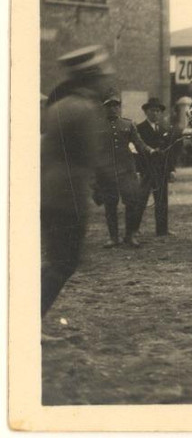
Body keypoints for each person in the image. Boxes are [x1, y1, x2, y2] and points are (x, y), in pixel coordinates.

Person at [40, 46, 114, 315]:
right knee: (62, 264)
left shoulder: (59, 105)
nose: (104, 82)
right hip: (69, 195)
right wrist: (109, 184)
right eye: (100, 77)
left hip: (50, 193)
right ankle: (27, 322)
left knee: (56, 262)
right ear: (90, 78)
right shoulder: (85, 108)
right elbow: (91, 155)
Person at [95, 91, 153, 248]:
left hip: (126, 171)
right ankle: (113, 237)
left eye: (115, 106)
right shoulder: (97, 126)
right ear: (104, 108)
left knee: (131, 203)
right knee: (110, 204)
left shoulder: (128, 124)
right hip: (107, 172)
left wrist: (150, 151)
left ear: (119, 107)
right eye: (109, 106)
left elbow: (139, 143)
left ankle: (130, 235)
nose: (112, 109)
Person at [136, 97, 177, 237]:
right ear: (146, 112)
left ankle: (162, 230)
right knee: (141, 200)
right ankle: (134, 229)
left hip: (161, 170)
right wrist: (137, 170)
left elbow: (170, 152)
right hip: (145, 170)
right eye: (152, 110)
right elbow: (136, 151)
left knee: (162, 200)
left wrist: (171, 170)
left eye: (158, 111)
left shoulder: (165, 129)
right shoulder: (139, 129)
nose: (155, 113)